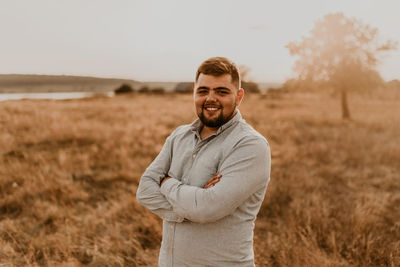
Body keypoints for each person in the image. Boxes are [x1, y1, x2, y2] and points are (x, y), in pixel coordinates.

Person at [136, 57, 271, 267]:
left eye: (221, 91)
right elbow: (144, 191)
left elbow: (207, 209)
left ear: (239, 96)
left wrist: (166, 183)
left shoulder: (250, 145)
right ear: (194, 93)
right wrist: (192, 208)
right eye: (203, 91)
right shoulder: (178, 136)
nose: (210, 98)